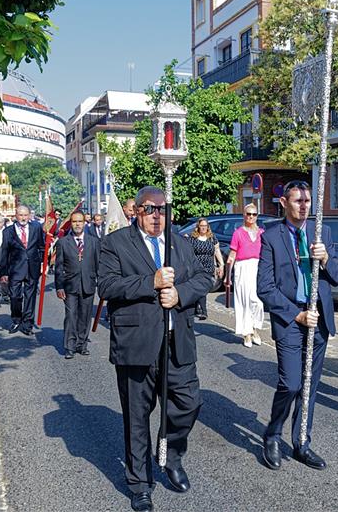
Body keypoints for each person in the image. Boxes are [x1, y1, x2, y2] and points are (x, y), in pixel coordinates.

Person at [97, 186, 211, 512]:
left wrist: (180, 294)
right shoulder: (115, 244)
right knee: (136, 418)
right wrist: (152, 282)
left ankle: (170, 454)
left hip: (177, 344)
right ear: (136, 211)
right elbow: (107, 285)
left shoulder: (181, 244)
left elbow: (207, 276)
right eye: (150, 209)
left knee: (188, 403)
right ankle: (139, 484)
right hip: (136, 345)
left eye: (162, 210)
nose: (157, 216)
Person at [257, 180, 338, 471]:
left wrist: (326, 258)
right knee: (291, 383)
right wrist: (296, 315)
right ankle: (272, 433)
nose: (303, 206)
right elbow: (264, 287)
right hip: (291, 318)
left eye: (307, 201)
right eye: (297, 201)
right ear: (284, 203)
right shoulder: (271, 236)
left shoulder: (323, 233)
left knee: (309, 387)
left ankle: (301, 442)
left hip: (319, 319)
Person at [54, 211, 100, 359]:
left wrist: (103, 283)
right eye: (74, 222)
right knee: (71, 316)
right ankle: (70, 346)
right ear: (71, 223)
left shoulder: (94, 242)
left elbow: (99, 264)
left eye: (80, 221)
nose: (77, 224)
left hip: (88, 284)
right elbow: (59, 267)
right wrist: (59, 286)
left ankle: (82, 344)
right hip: (70, 285)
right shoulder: (63, 242)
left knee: (85, 316)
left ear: (85, 222)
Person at [0, 205, 45, 335]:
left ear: (29, 215)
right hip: (15, 269)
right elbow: (4, 253)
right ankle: (16, 319)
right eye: (20, 215)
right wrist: (3, 272)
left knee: (30, 297)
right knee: (14, 296)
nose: (23, 218)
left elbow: (41, 247)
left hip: (33, 268)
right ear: (16, 215)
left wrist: (43, 263)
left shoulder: (36, 228)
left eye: (26, 215)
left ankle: (27, 324)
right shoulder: (8, 231)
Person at [225, 203, 265, 348]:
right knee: (244, 301)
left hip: (257, 268)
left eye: (254, 214)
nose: (251, 217)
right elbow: (232, 254)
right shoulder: (238, 233)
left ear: (257, 216)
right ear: (244, 215)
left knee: (258, 302)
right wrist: (227, 274)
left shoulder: (262, 233)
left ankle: (255, 328)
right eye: (248, 214)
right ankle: (247, 333)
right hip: (242, 267)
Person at [185, 218, 224, 320]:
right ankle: (203, 311)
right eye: (201, 226)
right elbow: (186, 251)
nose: (203, 228)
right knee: (201, 288)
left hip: (209, 268)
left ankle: (198, 309)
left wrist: (221, 265)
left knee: (204, 289)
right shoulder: (192, 238)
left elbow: (217, 251)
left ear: (208, 227)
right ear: (198, 227)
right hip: (197, 267)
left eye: (205, 226)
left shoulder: (212, 238)